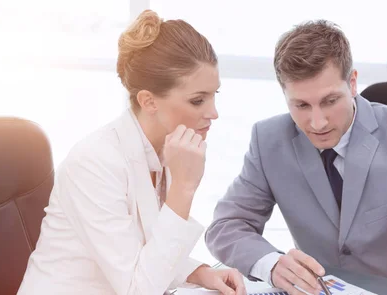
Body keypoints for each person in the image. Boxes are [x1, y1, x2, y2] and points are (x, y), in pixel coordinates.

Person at [204, 20, 387, 295]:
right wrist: (271, 264)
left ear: (352, 83)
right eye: (301, 105)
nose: (317, 123)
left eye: (330, 101)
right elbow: (226, 226)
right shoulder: (268, 140)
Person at [17, 10, 246, 295]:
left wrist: (198, 272)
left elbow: (145, 250)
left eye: (214, 96)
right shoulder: (94, 162)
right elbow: (138, 289)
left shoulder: (169, 148)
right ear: (148, 101)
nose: (213, 113)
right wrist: (184, 189)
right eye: (198, 100)